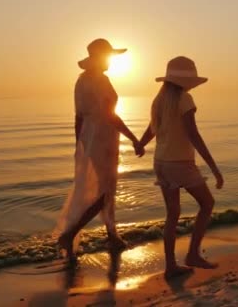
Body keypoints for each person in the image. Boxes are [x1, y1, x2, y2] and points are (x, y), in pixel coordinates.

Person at [56, 39, 144, 260]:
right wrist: (134, 138)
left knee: (104, 189)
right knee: (104, 192)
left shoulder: (81, 81)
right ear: (100, 58)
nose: (110, 62)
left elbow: (78, 117)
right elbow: (109, 115)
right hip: (103, 138)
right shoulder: (101, 81)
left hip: (90, 137)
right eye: (108, 57)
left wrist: (80, 144)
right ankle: (70, 234)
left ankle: (112, 236)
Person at [139, 56, 224, 279]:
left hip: (161, 163)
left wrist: (140, 143)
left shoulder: (160, 99)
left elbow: (152, 129)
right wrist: (214, 168)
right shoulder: (185, 99)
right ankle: (193, 254)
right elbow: (193, 135)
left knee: (172, 214)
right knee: (207, 204)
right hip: (180, 164)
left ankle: (170, 266)